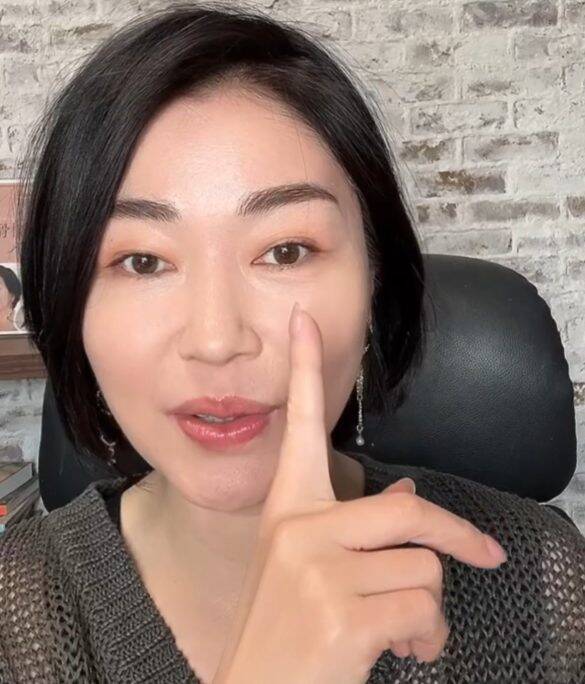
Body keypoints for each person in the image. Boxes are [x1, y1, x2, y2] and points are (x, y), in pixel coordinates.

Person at [1, 3, 583, 683]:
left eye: (285, 251)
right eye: (143, 261)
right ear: (71, 303)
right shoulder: (20, 620)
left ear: (374, 281)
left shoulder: (546, 585)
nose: (216, 341)